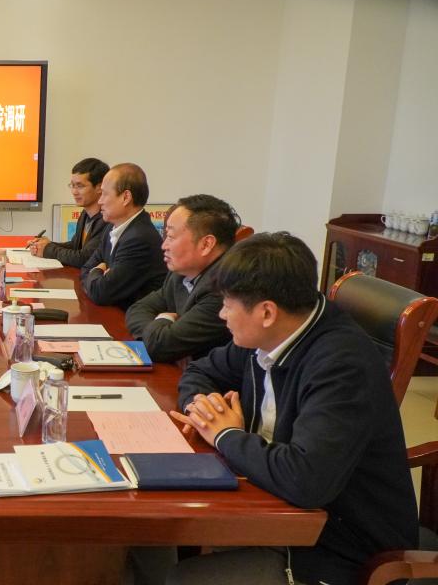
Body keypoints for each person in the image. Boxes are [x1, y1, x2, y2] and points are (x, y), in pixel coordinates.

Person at [168, 232, 417, 585]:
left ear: (267, 312)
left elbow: (305, 481)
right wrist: (203, 408)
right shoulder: (270, 333)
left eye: (227, 304)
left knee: (184, 578)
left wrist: (226, 435)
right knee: (155, 542)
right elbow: (200, 370)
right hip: (274, 507)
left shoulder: (341, 365)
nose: (222, 314)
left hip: (337, 547)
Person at [125, 194, 239, 362]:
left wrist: (163, 319)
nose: (163, 245)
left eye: (170, 237)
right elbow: (137, 309)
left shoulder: (224, 288)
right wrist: (155, 335)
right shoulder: (181, 273)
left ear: (206, 244)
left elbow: (162, 346)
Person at [79, 163, 166, 309]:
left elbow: (101, 292)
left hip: (131, 319)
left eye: (104, 194)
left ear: (126, 197)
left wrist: (97, 270)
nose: (100, 201)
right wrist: (99, 275)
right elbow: (85, 269)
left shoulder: (140, 239)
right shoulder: (111, 228)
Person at [26, 157, 111, 267]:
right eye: (72, 185)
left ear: (99, 187)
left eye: (80, 186)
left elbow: (85, 258)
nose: (74, 192)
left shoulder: (107, 219)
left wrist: (47, 249)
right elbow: (75, 246)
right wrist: (45, 245)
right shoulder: (85, 214)